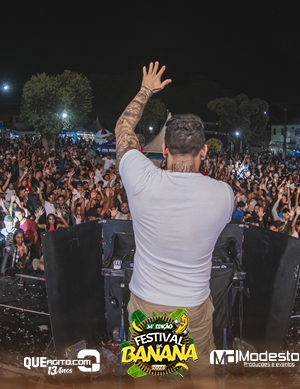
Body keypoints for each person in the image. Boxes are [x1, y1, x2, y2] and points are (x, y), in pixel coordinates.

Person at [116, 62, 233, 387]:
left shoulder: (141, 180)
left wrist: (146, 90)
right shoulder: (224, 195)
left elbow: (123, 129)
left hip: (147, 303)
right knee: (202, 372)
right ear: (204, 151)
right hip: (193, 305)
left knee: (148, 376)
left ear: (164, 149)